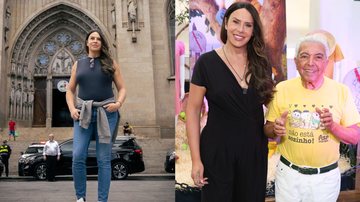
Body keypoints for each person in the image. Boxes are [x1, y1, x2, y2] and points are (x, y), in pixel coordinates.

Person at [186, 2, 274, 201]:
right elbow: (192, 112)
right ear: (225, 23)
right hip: (217, 152)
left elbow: (271, 104)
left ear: (254, 31)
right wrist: (196, 160)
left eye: (247, 25)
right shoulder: (206, 63)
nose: (240, 30)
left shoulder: (262, 64)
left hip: (253, 152)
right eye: (235, 22)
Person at [264, 34, 360, 202]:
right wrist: (275, 129)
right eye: (304, 56)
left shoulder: (341, 91)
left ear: (325, 62)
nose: (310, 63)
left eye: (318, 57)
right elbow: (268, 129)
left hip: (325, 179)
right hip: (288, 176)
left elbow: (355, 137)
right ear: (296, 61)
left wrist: (333, 126)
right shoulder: (282, 89)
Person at [66, 30, 126, 202]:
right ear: (86, 42)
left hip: (106, 114)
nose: (95, 41)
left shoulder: (110, 63)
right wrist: (72, 109)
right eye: (92, 38)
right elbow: (70, 90)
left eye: (98, 39)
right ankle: (80, 198)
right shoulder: (78, 64)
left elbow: (122, 88)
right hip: (83, 113)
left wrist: (118, 104)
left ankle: (102, 200)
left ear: (101, 43)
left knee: (104, 159)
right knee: (78, 156)